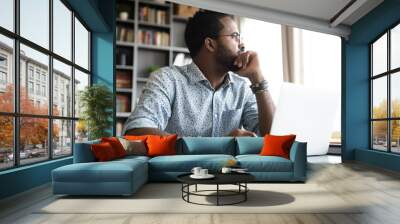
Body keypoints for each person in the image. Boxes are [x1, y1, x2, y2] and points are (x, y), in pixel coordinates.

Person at [122, 10, 275, 137]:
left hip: (234, 173)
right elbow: (136, 132)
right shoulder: (168, 80)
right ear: (210, 44)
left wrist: (257, 78)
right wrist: (220, 146)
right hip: (181, 173)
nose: (242, 44)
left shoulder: (242, 88)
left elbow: (272, 137)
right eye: (235, 36)